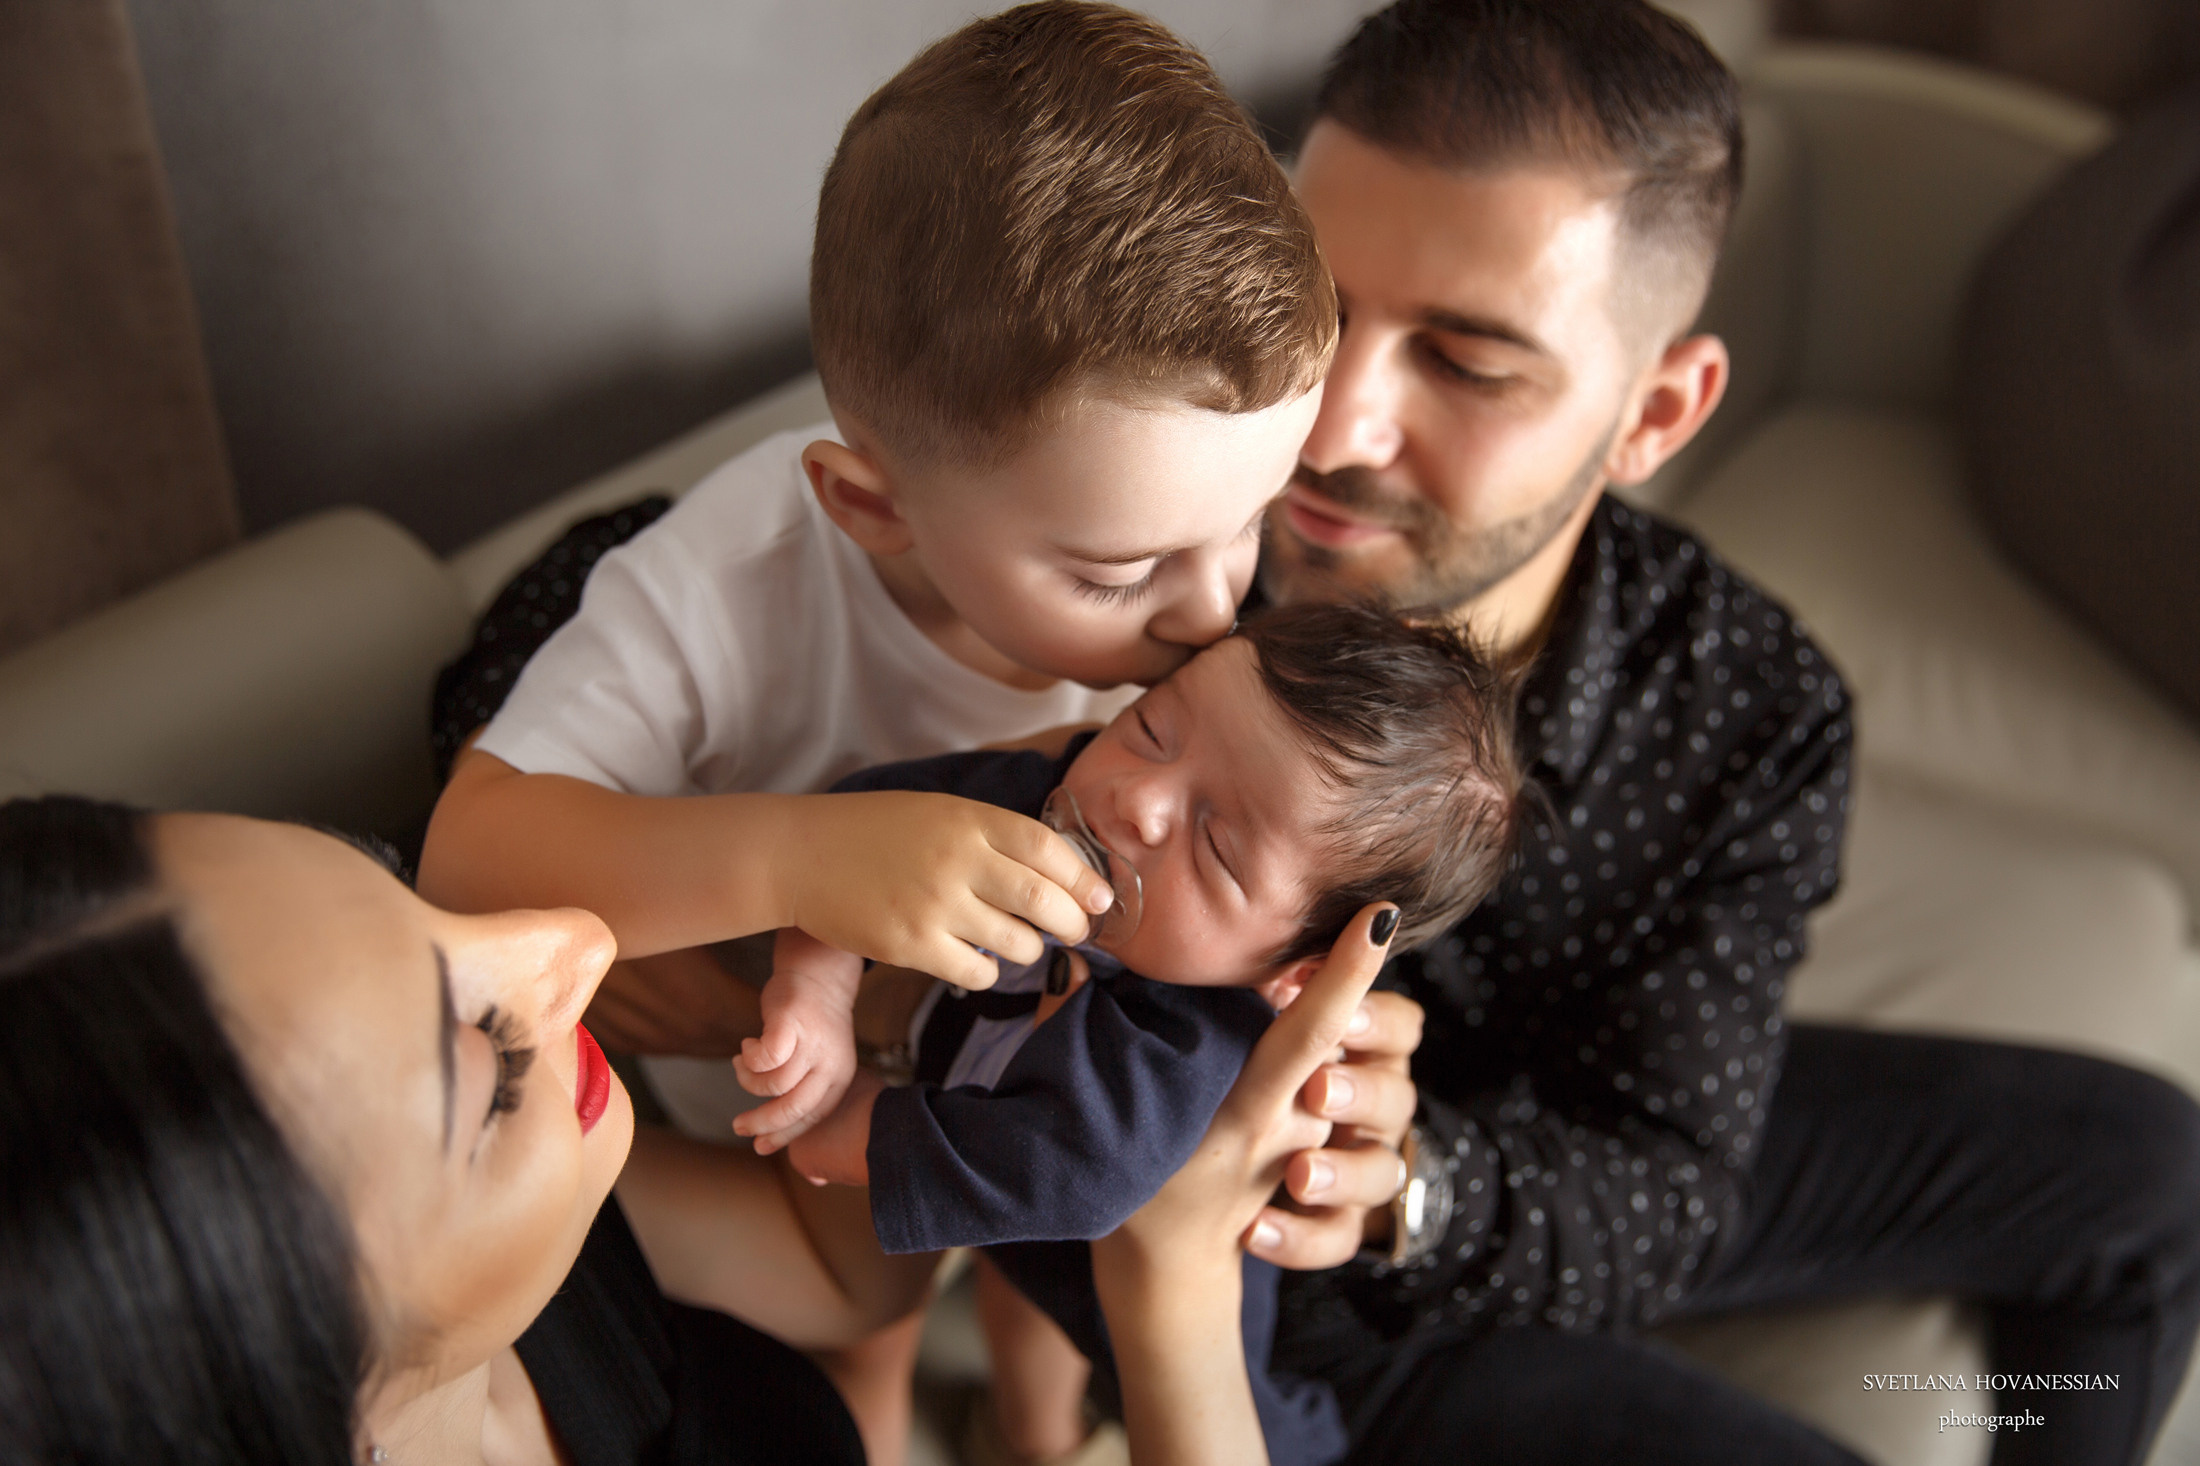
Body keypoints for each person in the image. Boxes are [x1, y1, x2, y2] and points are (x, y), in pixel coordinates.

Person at [1215, 4, 2200, 1465]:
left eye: (1470, 364)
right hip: (1301, 1291)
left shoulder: (1748, 707)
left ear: (1653, 414)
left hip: (1488, 1160)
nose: (1333, 423)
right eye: (1314, 307)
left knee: (2151, 1173)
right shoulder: (1132, 552)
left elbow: (1669, 1183)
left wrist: (1423, 1179)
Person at [417, 0, 1333, 1142]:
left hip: (987, 1128)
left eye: (1252, 519)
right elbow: (464, 859)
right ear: (868, 505)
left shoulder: (1196, 594)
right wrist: (804, 858)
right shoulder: (730, 583)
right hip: (752, 1109)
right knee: (847, 1303)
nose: (1213, 612)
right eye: (1118, 573)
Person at [0, 791, 1394, 1466]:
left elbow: (840, 1260)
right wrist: (1177, 1282)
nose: (576, 941)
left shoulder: (527, 1266)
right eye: (486, 1064)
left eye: (391, 885)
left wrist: (870, 990)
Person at [735, 603, 1521, 1466]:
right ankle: (1032, 1436)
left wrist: (866, 1138)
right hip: (1016, 1231)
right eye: (1152, 729)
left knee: (1239, 1415)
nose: (1139, 802)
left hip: (1148, 1308)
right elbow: (863, 833)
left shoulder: (1190, 1044)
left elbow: (1065, 1174)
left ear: (1296, 976)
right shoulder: (1054, 796)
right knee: (1015, 1297)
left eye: (1218, 847)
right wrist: (815, 984)